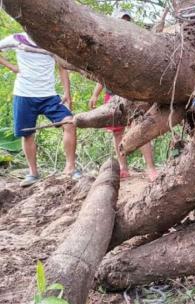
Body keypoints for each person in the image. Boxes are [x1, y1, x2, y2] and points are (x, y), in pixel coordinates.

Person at [0, 33, 80, 187]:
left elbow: (62, 67)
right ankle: (33, 173)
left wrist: (67, 94)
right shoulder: (17, 39)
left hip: (49, 95)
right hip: (24, 94)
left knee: (69, 123)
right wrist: (12, 67)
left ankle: (70, 168)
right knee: (26, 133)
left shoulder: (51, 40)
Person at [88, 10, 158, 181]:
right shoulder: (106, 45)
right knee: (117, 133)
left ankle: (150, 168)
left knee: (139, 129)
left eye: (127, 20)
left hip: (134, 95)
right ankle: (123, 168)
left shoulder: (137, 42)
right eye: (121, 20)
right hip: (112, 95)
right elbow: (102, 75)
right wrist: (95, 95)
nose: (125, 23)